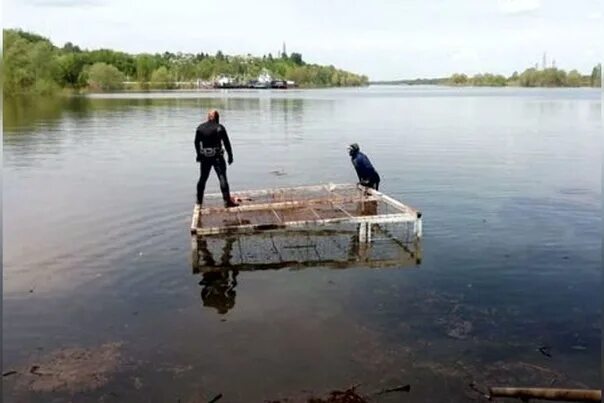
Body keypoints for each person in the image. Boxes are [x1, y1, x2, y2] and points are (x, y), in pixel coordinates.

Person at [195, 109, 239, 207]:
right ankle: (227, 202)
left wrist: (198, 154)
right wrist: (230, 156)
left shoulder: (200, 128)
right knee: (222, 177)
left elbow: (196, 142)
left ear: (208, 117)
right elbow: (227, 143)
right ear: (217, 118)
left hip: (205, 157)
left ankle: (199, 201)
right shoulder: (220, 128)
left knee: (203, 178)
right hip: (217, 157)